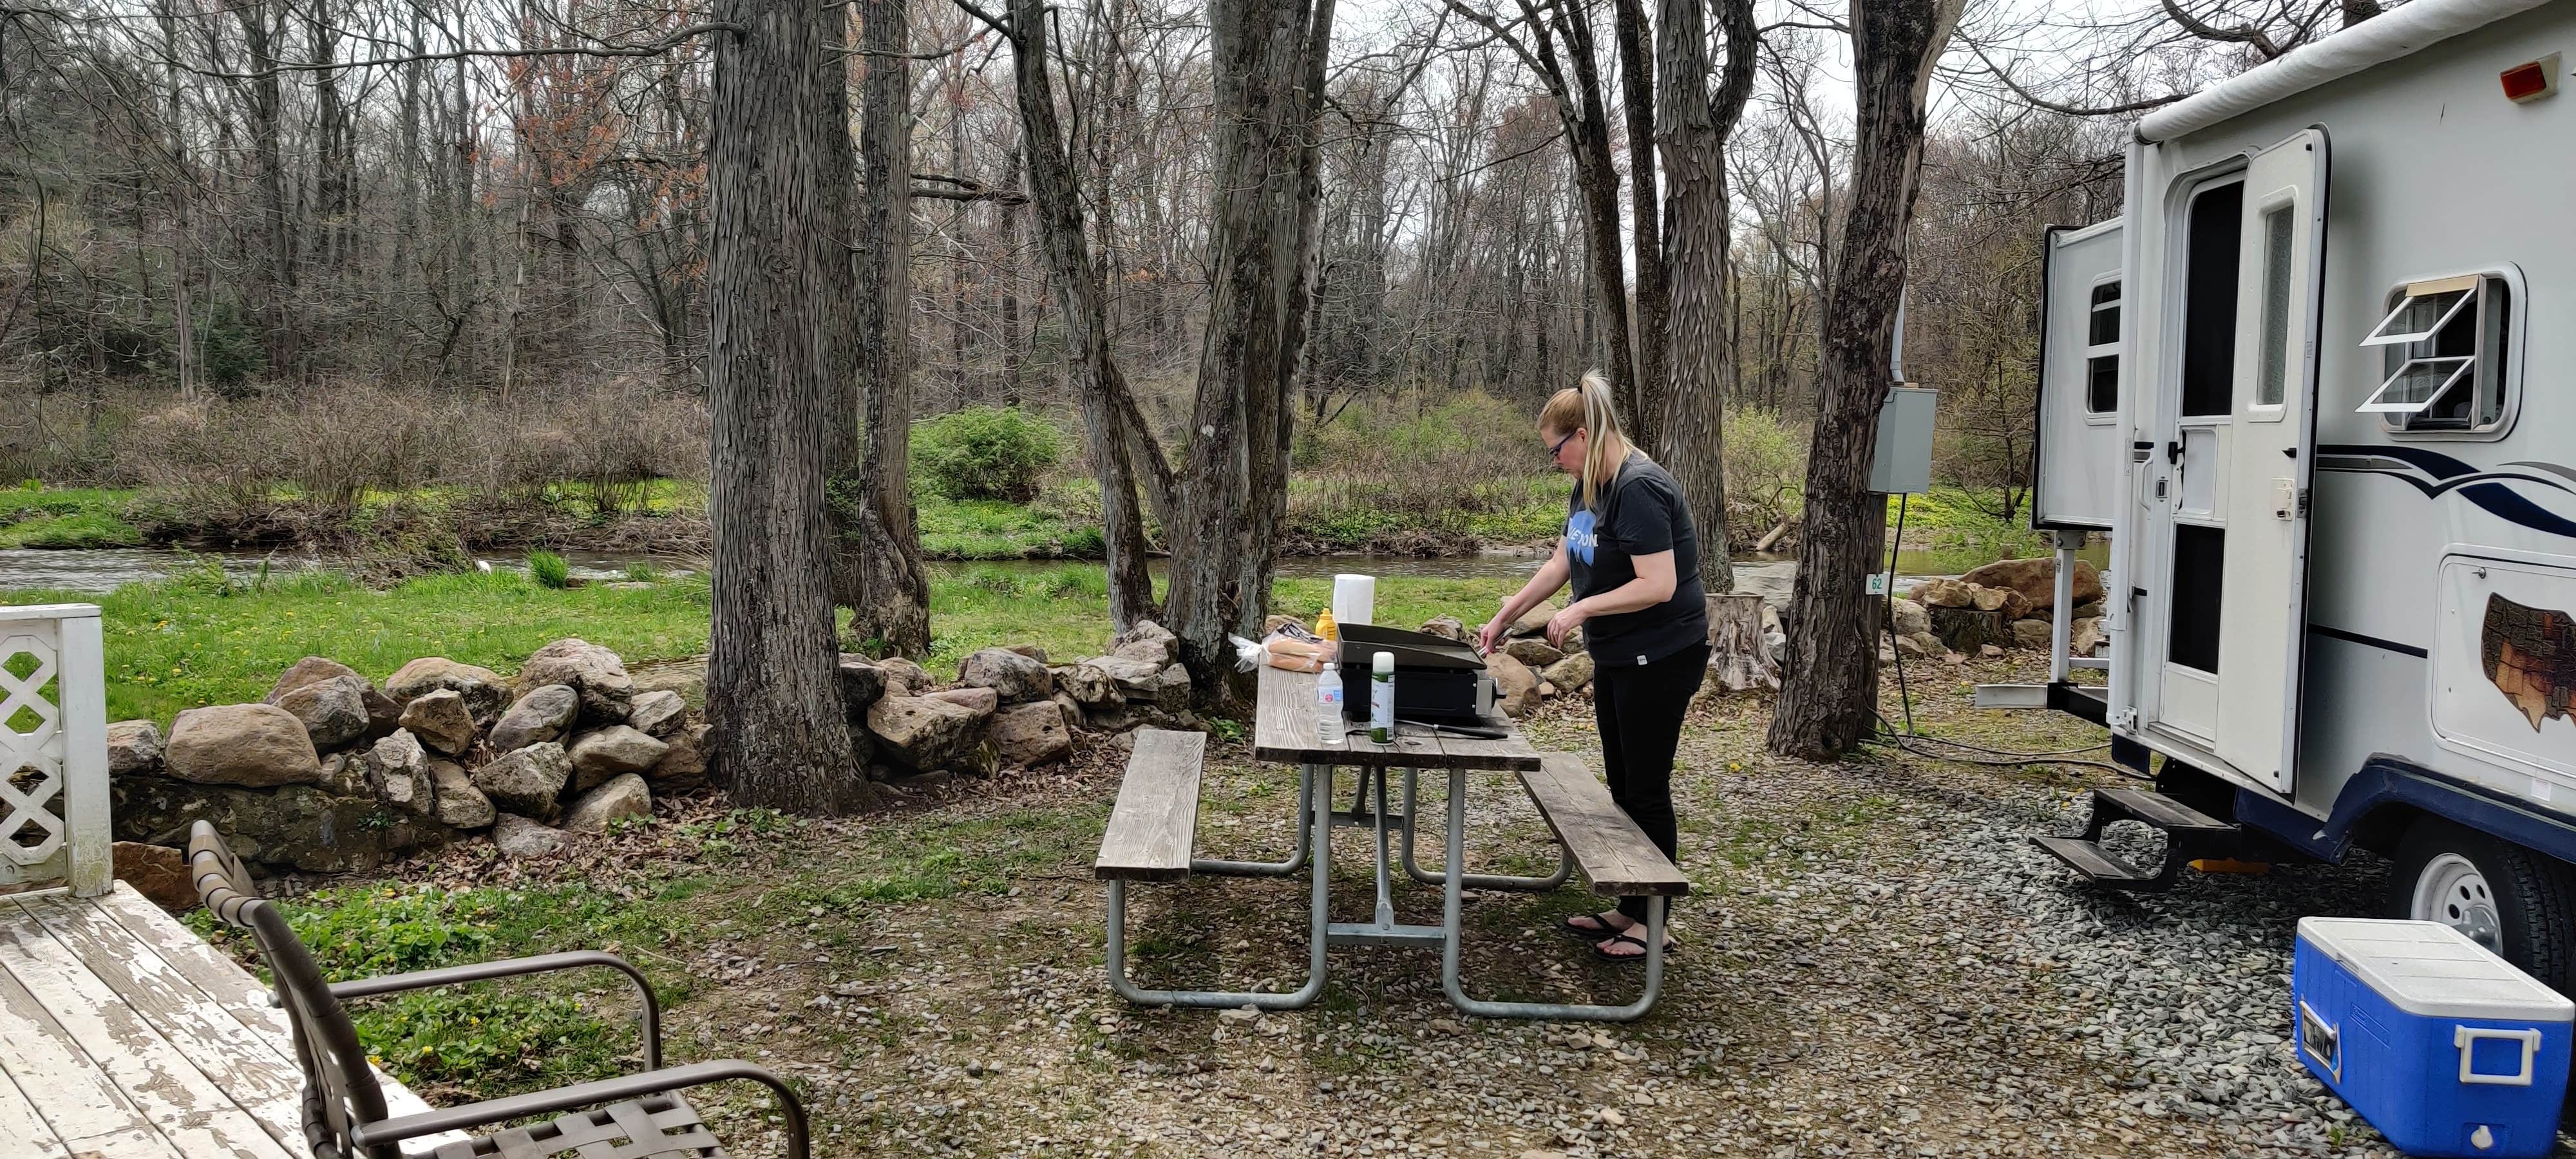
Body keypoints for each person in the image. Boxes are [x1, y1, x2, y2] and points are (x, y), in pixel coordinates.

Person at [1477, 372, 1709, 962]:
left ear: (1583, 434)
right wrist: (1508, 613)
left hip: (1662, 654)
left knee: (1647, 786)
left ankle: (1653, 923)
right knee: (1623, 782)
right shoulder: (1589, 486)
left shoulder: (1639, 488)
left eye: (1557, 449)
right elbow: (1563, 560)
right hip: (1619, 655)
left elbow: (1659, 584)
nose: (1555, 461)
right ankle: (1630, 908)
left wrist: (1582, 608)